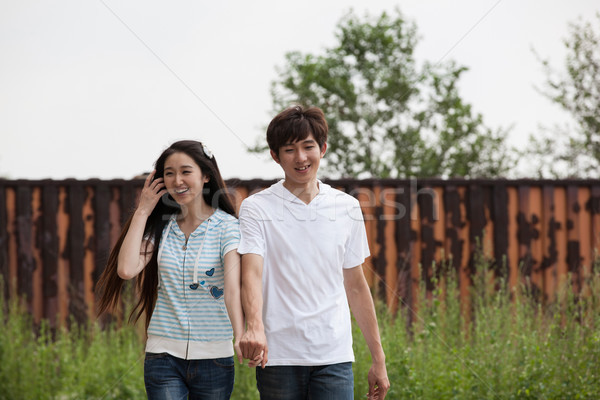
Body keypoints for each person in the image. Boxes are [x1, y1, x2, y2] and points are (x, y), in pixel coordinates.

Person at [238, 106, 390, 399]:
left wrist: (378, 359)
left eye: (308, 147)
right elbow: (251, 274)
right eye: (289, 149)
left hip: (333, 356)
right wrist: (254, 327)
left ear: (322, 149)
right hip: (278, 356)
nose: (301, 158)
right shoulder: (256, 208)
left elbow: (356, 287)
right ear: (275, 155)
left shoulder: (346, 207)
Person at [96, 140, 254, 399]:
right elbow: (126, 269)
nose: (177, 180)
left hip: (214, 358)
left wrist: (240, 335)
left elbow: (232, 289)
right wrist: (144, 210)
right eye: (169, 173)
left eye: (185, 171)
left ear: (205, 176)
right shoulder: (161, 227)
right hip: (163, 356)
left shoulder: (228, 227)